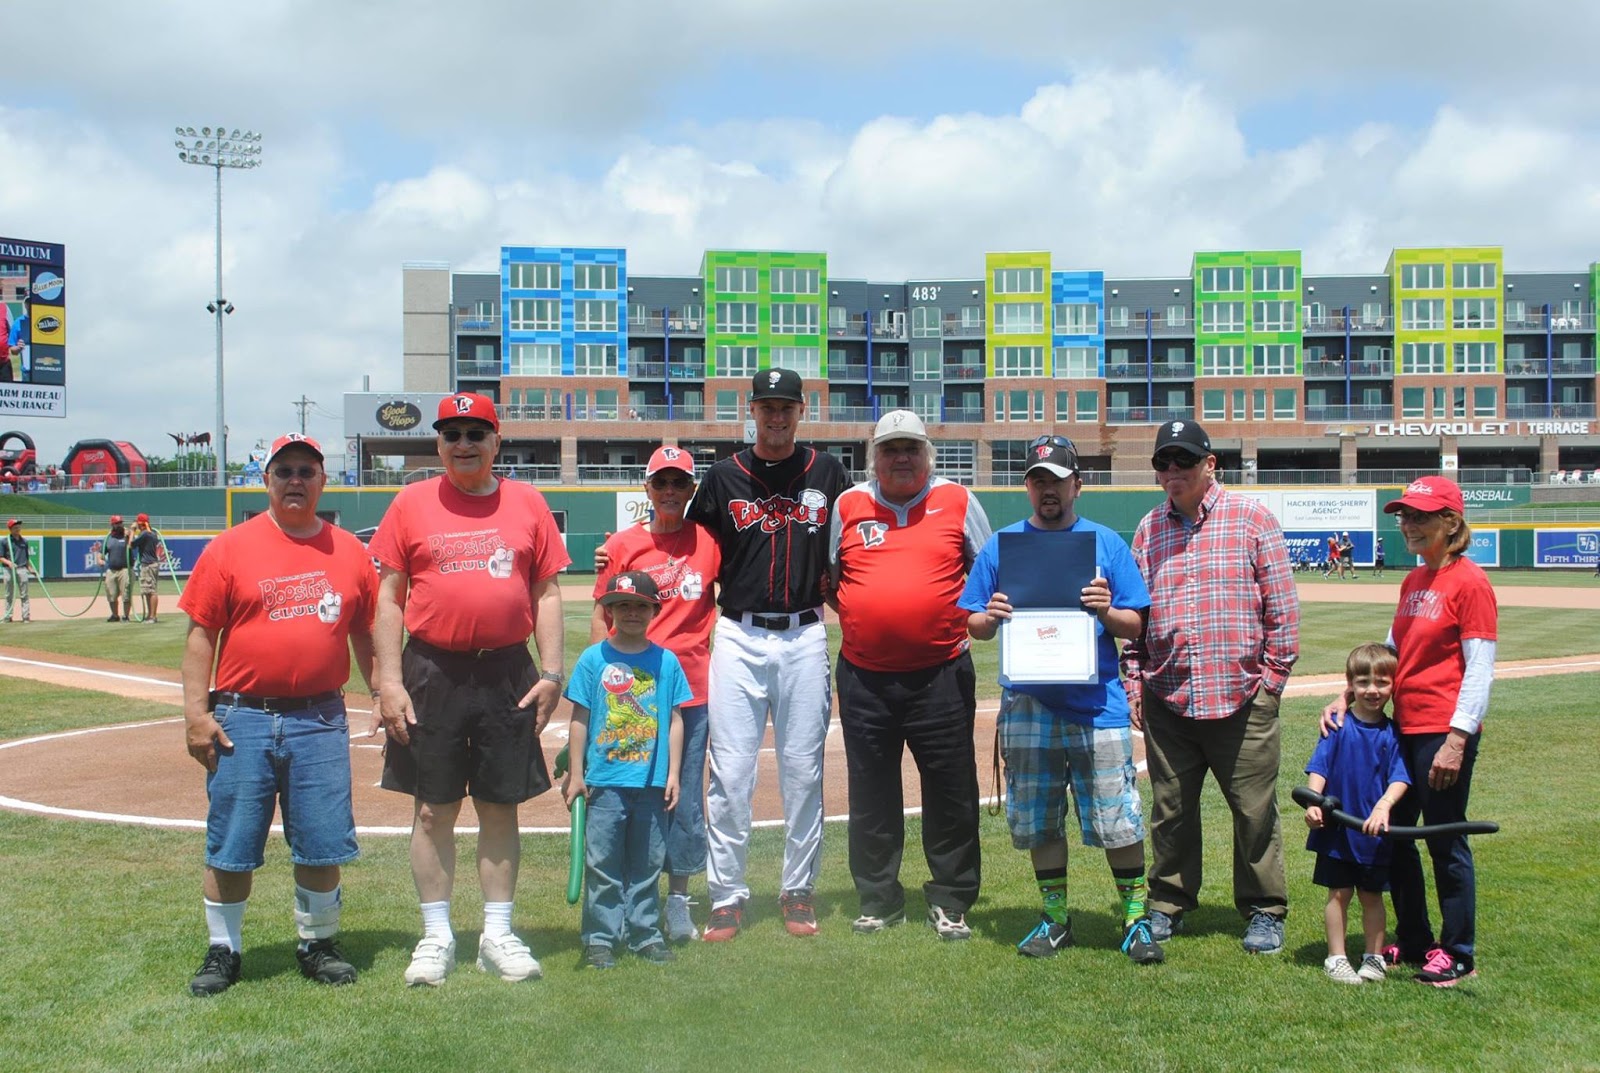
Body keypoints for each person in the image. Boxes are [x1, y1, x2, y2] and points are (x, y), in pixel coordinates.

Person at [369, 392, 570, 986]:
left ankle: (498, 933)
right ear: (438, 444)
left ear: (496, 442)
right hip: (432, 670)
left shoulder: (527, 502)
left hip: (507, 670)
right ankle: (435, 937)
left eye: (475, 433)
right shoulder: (410, 503)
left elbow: (548, 594)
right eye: (452, 434)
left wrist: (552, 672)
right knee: (432, 810)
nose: (463, 444)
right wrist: (387, 680)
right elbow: (387, 598)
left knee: (499, 804)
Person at [176, 433, 379, 996]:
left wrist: (383, 692)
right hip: (242, 717)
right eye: (284, 470)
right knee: (233, 841)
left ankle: (318, 943)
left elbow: (365, 632)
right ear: (266, 481)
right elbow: (201, 637)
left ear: (321, 481)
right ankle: (224, 950)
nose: (295, 480)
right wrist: (197, 714)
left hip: (318, 718)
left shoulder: (348, 551)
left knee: (320, 840)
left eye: (306, 471)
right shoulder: (230, 548)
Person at [961, 435, 1163, 965]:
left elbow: (1135, 623)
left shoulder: (1105, 543)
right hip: (1028, 700)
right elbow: (975, 625)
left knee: (1118, 817)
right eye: (1037, 479)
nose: (1047, 489)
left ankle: (1136, 920)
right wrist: (993, 614)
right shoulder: (1003, 544)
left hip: (1097, 702)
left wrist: (1104, 611)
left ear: (1078, 484)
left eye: (1057, 479)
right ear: (1028, 486)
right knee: (1038, 819)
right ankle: (1055, 918)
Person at [1122, 419, 1300, 954]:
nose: (1173, 472)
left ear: (1209, 465)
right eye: (1164, 463)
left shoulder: (1251, 519)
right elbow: (1135, 619)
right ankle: (1169, 902)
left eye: (1184, 461)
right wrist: (1136, 685)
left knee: (1253, 812)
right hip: (1169, 696)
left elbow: (1283, 615)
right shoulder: (1148, 530)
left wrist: (1270, 684)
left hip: (1242, 697)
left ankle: (1265, 909)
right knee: (1170, 811)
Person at [684, 367, 848, 941]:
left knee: (803, 772)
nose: (776, 417)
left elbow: (845, 551)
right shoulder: (723, 477)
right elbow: (689, 550)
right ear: (750, 410)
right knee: (730, 773)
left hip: (805, 634)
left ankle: (797, 890)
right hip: (739, 633)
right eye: (766, 407)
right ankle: (726, 896)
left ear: (801, 410)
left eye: (786, 407)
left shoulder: (827, 471)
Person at [1322, 476, 1495, 987]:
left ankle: (1458, 951)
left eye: (1420, 516)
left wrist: (1458, 740)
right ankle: (1416, 939)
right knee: (1393, 838)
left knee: (1445, 841)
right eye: (1404, 516)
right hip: (1405, 728)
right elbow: (1391, 650)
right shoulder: (1415, 581)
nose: (1409, 525)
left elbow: (1479, 668)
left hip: (1443, 731)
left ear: (1451, 522)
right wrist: (1345, 694)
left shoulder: (1471, 583)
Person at [828, 411, 990, 941]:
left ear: (928, 453)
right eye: (891, 449)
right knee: (870, 790)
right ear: (873, 455)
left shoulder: (959, 501)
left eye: (911, 449)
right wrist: (869, 615)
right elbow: (832, 579)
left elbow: (988, 571)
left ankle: (951, 899)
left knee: (951, 789)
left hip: (940, 674)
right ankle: (879, 898)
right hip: (865, 678)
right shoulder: (848, 505)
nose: (901, 458)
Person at [592, 445, 720, 942]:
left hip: (691, 687)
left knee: (683, 797)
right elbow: (602, 613)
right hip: (631, 690)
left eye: (679, 483)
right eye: (660, 483)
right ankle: (629, 897)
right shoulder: (622, 544)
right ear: (646, 488)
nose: (669, 492)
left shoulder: (709, 540)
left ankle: (680, 901)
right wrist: (594, 685)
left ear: (691, 490)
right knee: (632, 794)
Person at [563, 571, 689, 969]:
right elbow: (580, 718)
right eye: (623, 606)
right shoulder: (593, 659)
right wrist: (577, 774)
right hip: (604, 782)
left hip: (650, 783)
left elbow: (675, 720)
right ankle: (601, 937)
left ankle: (645, 933)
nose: (632, 613)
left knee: (648, 864)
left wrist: (673, 774)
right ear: (609, 611)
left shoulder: (666, 661)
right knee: (602, 864)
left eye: (640, 606)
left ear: (653, 610)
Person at [1303, 642, 1410, 985]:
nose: (1372, 690)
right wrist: (1313, 802)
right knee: (1338, 893)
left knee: (1371, 895)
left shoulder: (1393, 734)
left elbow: (1400, 777)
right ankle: (1336, 958)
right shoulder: (1337, 725)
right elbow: (1319, 768)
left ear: (1393, 686)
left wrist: (1384, 806)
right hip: (1337, 828)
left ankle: (1373, 957)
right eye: (1363, 682)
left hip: (1372, 831)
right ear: (1350, 685)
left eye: (1381, 683)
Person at [99, 514, 133, 622]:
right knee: (111, 593)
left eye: (121, 523)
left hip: (125, 569)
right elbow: (101, 553)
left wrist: (130, 535)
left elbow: (132, 546)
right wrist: (100, 560)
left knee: (126, 594)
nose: (119, 525)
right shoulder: (108, 538)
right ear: (112, 525)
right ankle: (114, 615)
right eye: (117, 523)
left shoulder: (127, 535)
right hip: (112, 569)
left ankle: (126, 616)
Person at [131, 513, 163, 623]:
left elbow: (131, 544)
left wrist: (132, 531)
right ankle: (150, 615)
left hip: (149, 565)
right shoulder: (152, 533)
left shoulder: (145, 534)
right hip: (150, 564)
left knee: (151, 591)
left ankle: (152, 616)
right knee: (148, 591)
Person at [1, 518, 31, 623]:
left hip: (22, 569)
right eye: (15, 526)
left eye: (19, 526)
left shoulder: (25, 541)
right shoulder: (4, 541)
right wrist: (9, 563)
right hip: (8, 570)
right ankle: (8, 616)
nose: (18, 528)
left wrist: (30, 569)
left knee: (24, 594)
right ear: (10, 528)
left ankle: (26, 617)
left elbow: (27, 558)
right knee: (9, 594)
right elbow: (1, 557)